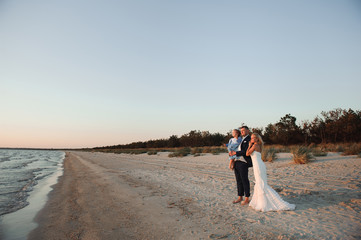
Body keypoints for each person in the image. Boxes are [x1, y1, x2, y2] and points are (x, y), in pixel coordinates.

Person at [246, 133, 296, 212]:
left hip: (258, 166)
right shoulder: (258, 145)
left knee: (261, 183)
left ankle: (263, 204)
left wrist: (249, 145)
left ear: (257, 139)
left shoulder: (255, 146)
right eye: (251, 138)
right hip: (258, 165)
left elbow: (247, 153)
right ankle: (260, 202)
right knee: (260, 183)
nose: (251, 139)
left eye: (253, 138)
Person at [229, 126, 252, 205]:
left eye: (243, 130)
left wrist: (235, 153)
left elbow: (246, 151)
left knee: (244, 180)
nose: (242, 132)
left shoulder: (249, 139)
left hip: (244, 162)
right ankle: (240, 197)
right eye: (241, 131)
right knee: (238, 180)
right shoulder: (241, 139)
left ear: (248, 131)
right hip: (237, 161)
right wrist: (232, 162)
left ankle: (247, 198)